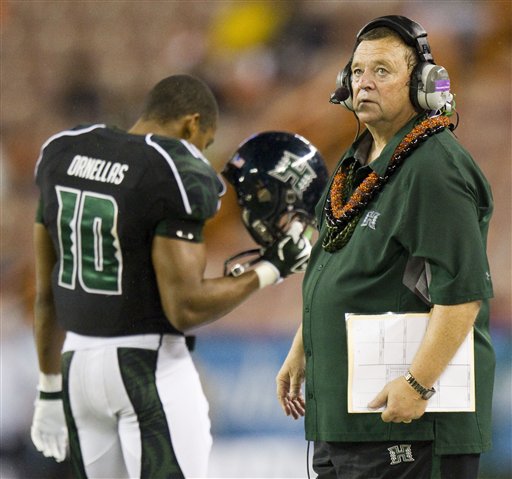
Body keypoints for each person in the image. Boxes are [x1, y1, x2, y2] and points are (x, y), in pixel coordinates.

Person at [30, 73, 312, 479]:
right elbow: (186, 307)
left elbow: (45, 293)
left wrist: (48, 386)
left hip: (76, 365)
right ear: (192, 124)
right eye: (206, 141)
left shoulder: (63, 149)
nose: (202, 151)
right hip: (144, 366)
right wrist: (270, 269)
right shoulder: (172, 168)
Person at [276, 15, 495, 479]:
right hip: (347, 420)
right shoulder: (358, 161)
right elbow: (330, 265)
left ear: (422, 85)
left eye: (382, 71)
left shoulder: (435, 168)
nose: (364, 83)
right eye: (357, 72)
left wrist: (418, 385)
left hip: (408, 424)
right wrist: (302, 347)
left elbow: (464, 294)